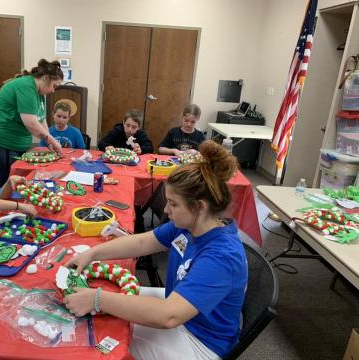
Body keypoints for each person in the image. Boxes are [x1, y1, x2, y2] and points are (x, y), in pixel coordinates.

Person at [63, 140, 247, 360]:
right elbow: (142, 242)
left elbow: (168, 316)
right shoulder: (190, 225)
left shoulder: (222, 256)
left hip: (201, 342)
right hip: (183, 310)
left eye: (173, 204)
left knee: (105, 338)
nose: (167, 210)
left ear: (200, 206)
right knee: (113, 310)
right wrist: (92, 253)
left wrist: (97, 299)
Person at [0, 59, 64, 187]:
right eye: (54, 86)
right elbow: (31, 123)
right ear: (45, 78)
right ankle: (2, 206)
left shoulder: (39, 92)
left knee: (17, 180)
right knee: (5, 182)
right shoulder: (26, 86)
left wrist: (49, 140)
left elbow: (41, 119)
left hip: (13, 140)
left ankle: (13, 206)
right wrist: (52, 141)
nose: (53, 91)